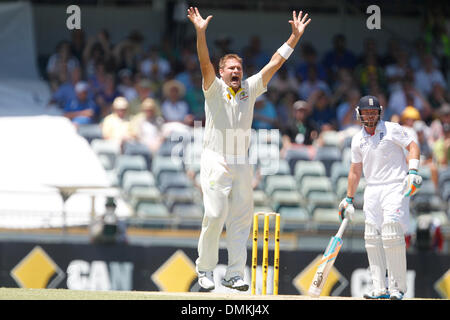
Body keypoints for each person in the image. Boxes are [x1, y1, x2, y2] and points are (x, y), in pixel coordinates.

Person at [187, 6, 311, 291]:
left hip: (242, 161)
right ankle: (205, 270)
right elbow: (204, 61)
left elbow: (275, 63)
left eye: (239, 68)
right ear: (221, 72)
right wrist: (200, 33)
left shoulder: (250, 89)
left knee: (241, 220)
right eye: (230, 68)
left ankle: (233, 274)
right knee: (216, 215)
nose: (236, 72)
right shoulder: (214, 87)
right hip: (215, 158)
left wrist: (294, 38)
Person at [338, 95, 422, 300]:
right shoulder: (357, 140)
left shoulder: (392, 129)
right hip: (372, 188)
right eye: (366, 112)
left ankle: (397, 289)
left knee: (391, 231)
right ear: (359, 114)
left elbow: (413, 146)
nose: (369, 115)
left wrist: (412, 171)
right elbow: (355, 171)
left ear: (379, 113)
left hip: (396, 185)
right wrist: (348, 198)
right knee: (371, 236)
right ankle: (379, 288)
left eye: (373, 112)